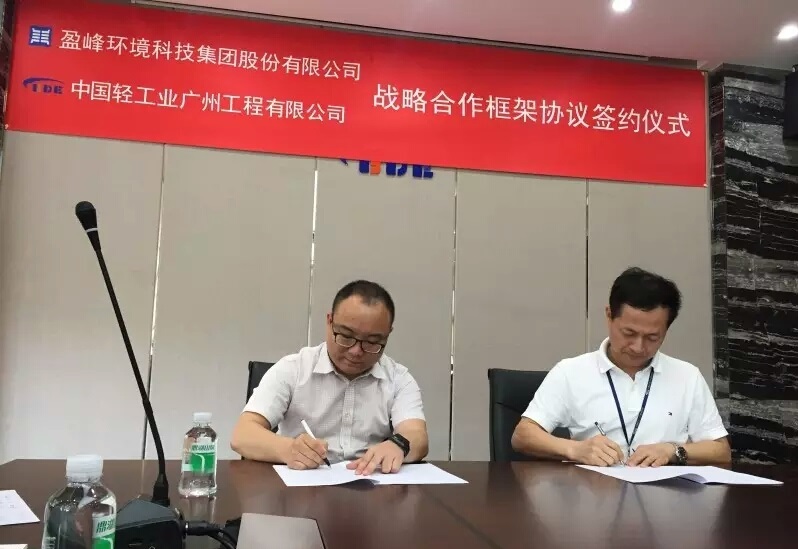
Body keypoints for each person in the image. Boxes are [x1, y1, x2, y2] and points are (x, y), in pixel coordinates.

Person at [511, 267, 731, 467]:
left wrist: (673, 450)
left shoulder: (687, 376)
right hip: (593, 492)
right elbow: (523, 435)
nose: (638, 347)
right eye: (629, 333)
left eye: (652, 337)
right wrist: (576, 449)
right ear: (609, 316)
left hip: (664, 495)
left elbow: (721, 452)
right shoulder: (571, 372)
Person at [231, 280, 428, 475]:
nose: (356, 351)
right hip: (301, 486)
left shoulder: (399, 379)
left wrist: (398, 445)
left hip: (369, 484)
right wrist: (289, 449)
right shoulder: (293, 369)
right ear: (329, 321)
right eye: (346, 336)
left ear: (387, 334)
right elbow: (243, 435)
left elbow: (417, 436)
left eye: (372, 342)